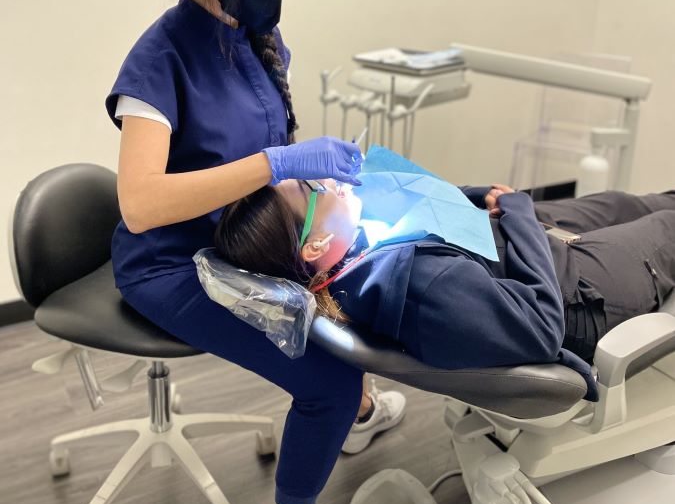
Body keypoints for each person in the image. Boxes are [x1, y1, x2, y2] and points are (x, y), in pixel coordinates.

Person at [106, 0, 398, 504]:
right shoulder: (160, 58)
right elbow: (140, 205)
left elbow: (271, 155)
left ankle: (358, 414)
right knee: (327, 377)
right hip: (174, 262)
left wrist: (321, 192)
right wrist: (278, 164)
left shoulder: (257, 38)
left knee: (368, 275)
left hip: (246, 237)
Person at [214, 176, 675, 401]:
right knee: (668, 224)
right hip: (576, 292)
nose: (334, 182)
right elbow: (540, 328)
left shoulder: (345, 258)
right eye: (317, 187)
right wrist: (518, 213)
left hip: (515, 245)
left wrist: (477, 198)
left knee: (627, 202)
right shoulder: (418, 285)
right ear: (315, 245)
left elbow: (417, 215)